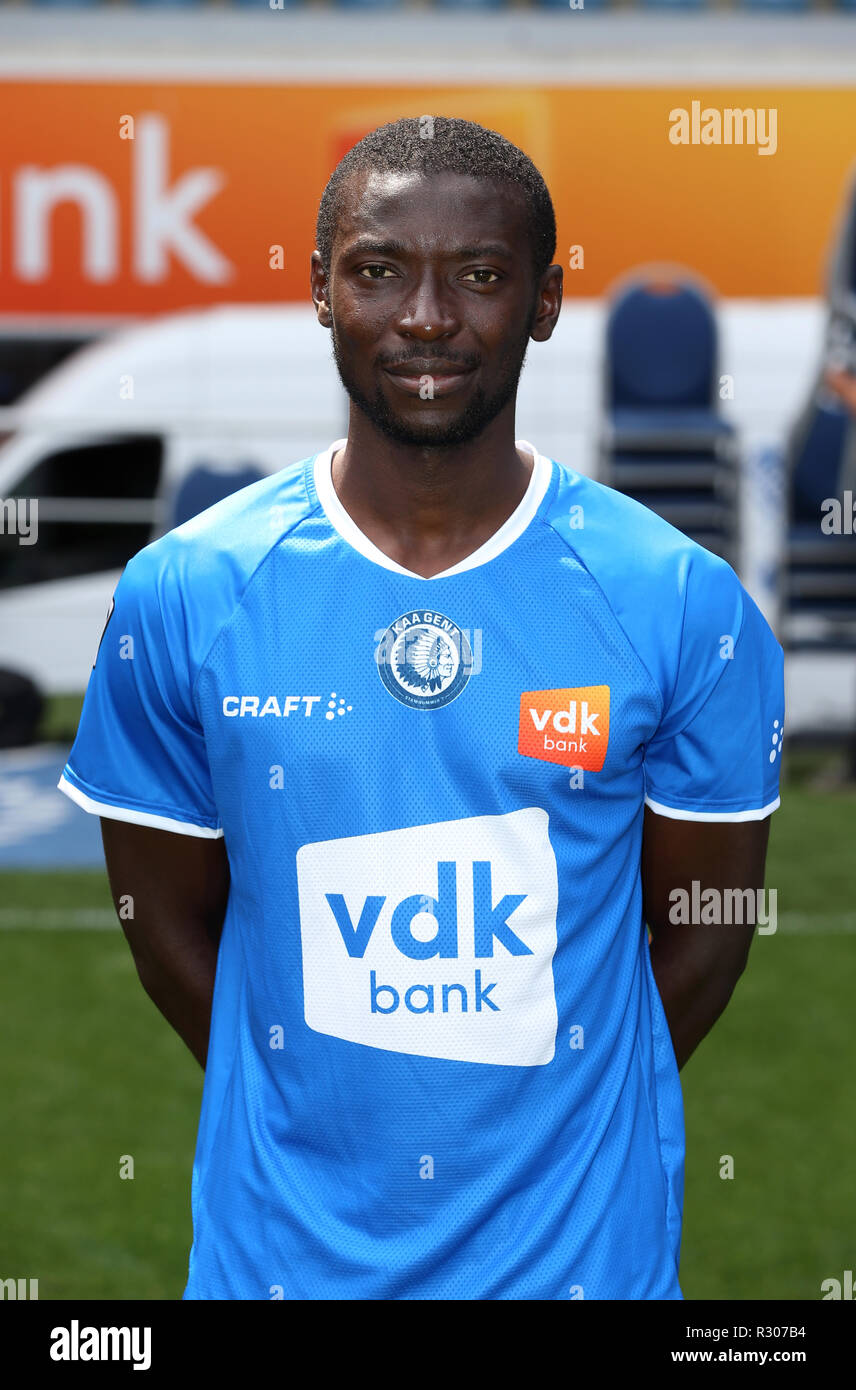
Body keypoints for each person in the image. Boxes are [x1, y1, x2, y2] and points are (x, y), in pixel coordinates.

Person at [58, 116, 784, 1300]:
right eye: (380, 269)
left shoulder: (676, 601)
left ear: (546, 302)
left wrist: (551, 1116)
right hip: (277, 1266)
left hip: (577, 1270)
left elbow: (706, 929)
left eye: (482, 276)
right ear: (319, 290)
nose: (428, 317)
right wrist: (314, 1096)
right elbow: (164, 921)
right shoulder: (188, 594)